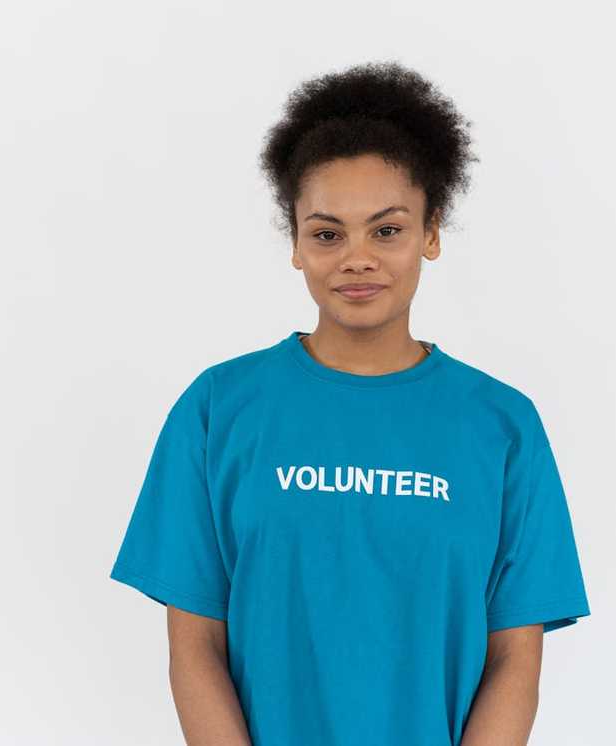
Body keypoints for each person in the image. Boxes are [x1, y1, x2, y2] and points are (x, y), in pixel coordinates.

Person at [108, 60, 591, 746]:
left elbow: (515, 657)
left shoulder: (502, 426)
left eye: (387, 230)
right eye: (328, 233)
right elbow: (194, 648)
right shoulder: (218, 410)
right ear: (298, 246)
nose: (356, 258)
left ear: (431, 232)